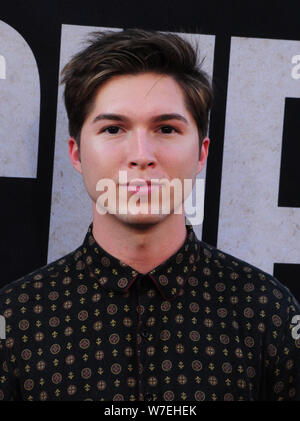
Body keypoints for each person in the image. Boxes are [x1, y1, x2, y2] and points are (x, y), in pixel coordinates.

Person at [0, 28, 299, 402]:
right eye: (113, 128)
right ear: (76, 154)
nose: (141, 155)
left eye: (166, 128)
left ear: (202, 152)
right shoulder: (17, 318)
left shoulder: (266, 312)